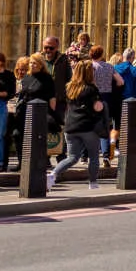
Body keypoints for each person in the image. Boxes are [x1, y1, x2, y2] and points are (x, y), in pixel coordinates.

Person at [48, 60, 104, 191]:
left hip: (71, 126)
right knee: (94, 156)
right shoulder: (91, 89)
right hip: (88, 127)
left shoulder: (70, 87)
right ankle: (93, 183)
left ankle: (52, 175)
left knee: (72, 157)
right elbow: (98, 107)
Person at [15, 52, 57, 164]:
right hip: (24, 111)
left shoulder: (47, 78)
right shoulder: (27, 77)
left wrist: (52, 114)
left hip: (40, 111)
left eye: (35, 63)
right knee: (17, 135)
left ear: (41, 65)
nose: (32, 65)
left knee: (37, 138)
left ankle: (41, 161)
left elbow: (52, 97)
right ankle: (21, 162)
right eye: (31, 63)